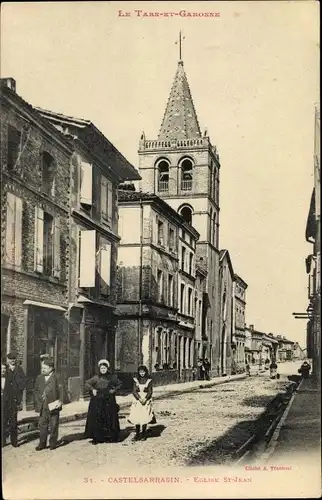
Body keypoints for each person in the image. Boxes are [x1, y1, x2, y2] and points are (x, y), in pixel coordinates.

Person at [84, 359, 122, 445]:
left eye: (104, 368)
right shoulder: (96, 377)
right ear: (99, 369)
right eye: (101, 368)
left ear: (107, 368)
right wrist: (92, 389)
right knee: (98, 419)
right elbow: (87, 383)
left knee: (109, 418)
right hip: (98, 401)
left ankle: (109, 437)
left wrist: (114, 390)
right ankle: (97, 438)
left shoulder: (112, 377)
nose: (103, 370)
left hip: (109, 401)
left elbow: (120, 384)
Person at [34, 357, 64, 451]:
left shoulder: (56, 377)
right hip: (43, 406)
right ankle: (42, 444)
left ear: (51, 368)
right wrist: (38, 401)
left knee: (54, 424)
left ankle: (52, 443)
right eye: (42, 368)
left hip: (53, 405)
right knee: (42, 424)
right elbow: (36, 390)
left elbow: (62, 390)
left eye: (45, 368)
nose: (43, 369)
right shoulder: (39, 377)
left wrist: (60, 401)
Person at [2, 352, 26, 448]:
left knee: (13, 421)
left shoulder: (19, 369)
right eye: (10, 359)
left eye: (14, 359)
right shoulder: (4, 369)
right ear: (7, 360)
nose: (12, 360)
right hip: (4, 399)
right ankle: (3, 441)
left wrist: (18, 390)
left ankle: (14, 441)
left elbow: (24, 382)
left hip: (14, 399)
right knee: (3, 420)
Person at [128, 365, 156, 441]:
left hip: (146, 400)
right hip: (137, 400)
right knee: (137, 416)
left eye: (143, 372)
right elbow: (134, 391)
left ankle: (143, 434)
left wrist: (146, 398)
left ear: (145, 372)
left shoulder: (149, 380)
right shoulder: (136, 380)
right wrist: (139, 398)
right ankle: (137, 434)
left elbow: (150, 391)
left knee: (144, 416)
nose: (142, 374)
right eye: (140, 372)